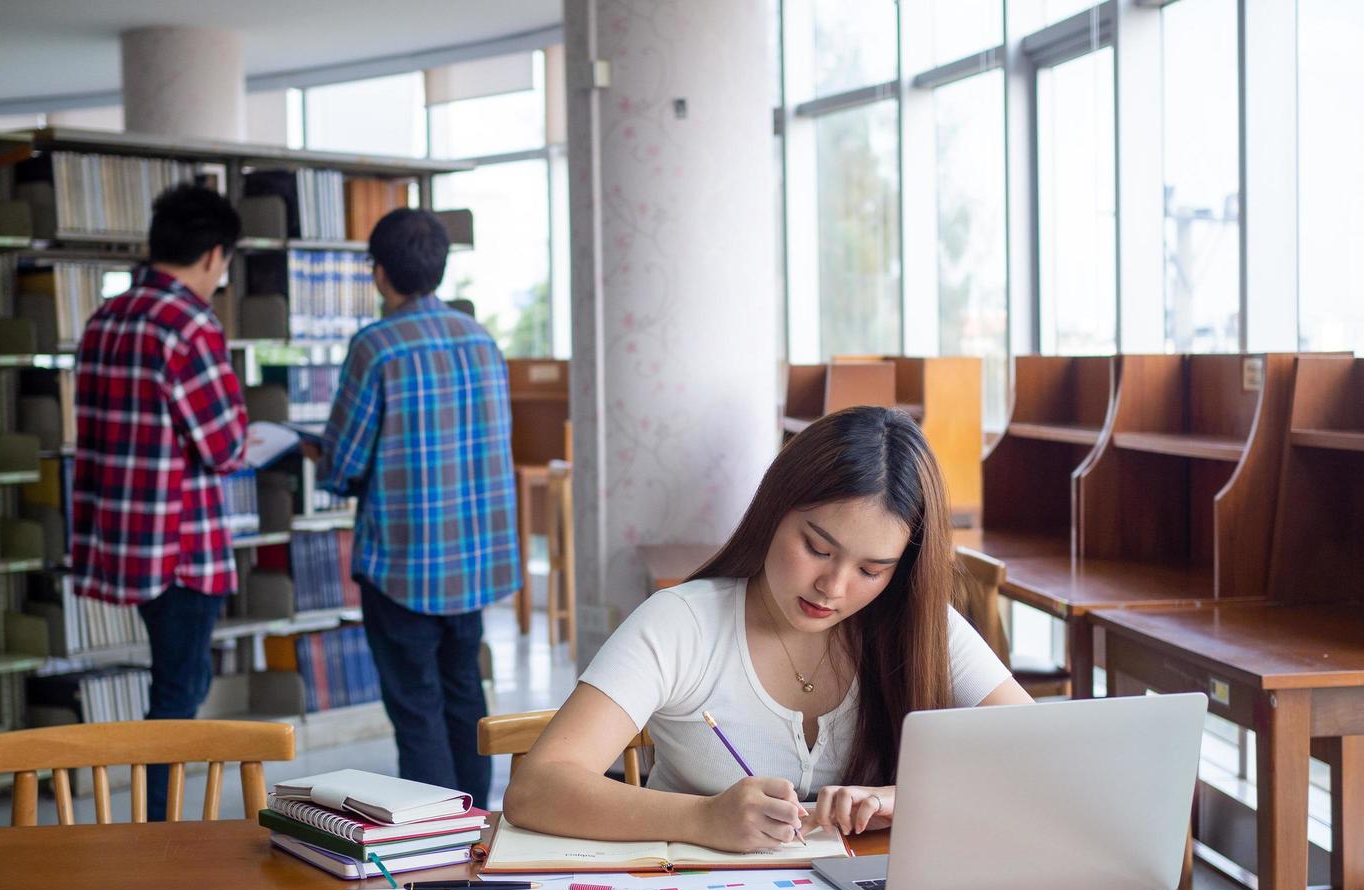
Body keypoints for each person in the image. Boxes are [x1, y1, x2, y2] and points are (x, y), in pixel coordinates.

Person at [504, 406, 1032, 852]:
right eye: (818, 549)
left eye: (871, 570)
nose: (833, 585)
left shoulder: (917, 625)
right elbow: (536, 788)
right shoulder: (681, 624)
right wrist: (702, 818)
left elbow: (1039, 754)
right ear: (774, 510)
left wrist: (902, 796)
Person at [314, 208, 519, 806]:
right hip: (473, 561)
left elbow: (343, 466)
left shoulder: (376, 347)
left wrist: (312, 451)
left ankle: (431, 836)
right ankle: (476, 825)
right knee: (465, 693)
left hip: (402, 565)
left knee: (416, 706)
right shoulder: (481, 340)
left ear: (378, 273)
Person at [70, 183, 248, 821]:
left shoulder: (106, 317)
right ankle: (156, 828)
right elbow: (224, 447)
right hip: (180, 546)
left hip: (120, 538)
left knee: (173, 682)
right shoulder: (189, 325)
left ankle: (153, 817)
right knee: (178, 691)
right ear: (213, 254)